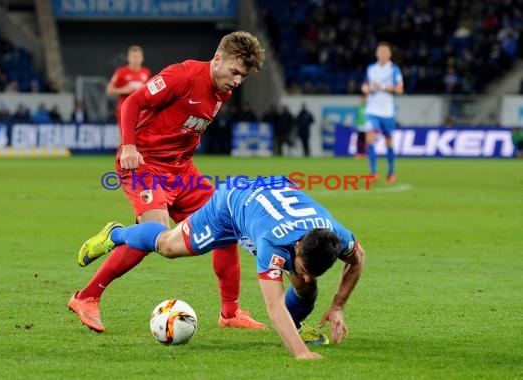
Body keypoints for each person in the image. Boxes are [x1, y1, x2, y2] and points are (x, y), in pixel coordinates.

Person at [68, 31, 267, 332]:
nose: (238, 81)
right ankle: (87, 296)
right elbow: (132, 102)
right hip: (143, 163)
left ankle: (230, 314)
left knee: (227, 226)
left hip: (182, 171)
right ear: (217, 59)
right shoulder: (182, 75)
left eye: (243, 76)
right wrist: (129, 146)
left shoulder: (223, 90)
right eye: (235, 72)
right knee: (157, 233)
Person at [78, 176, 365, 359]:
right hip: (229, 206)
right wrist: (300, 354)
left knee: (306, 287)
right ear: (299, 246)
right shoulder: (272, 242)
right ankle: (115, 234)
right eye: (302, 267)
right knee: (167, 246)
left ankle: (297, 326)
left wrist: (338, 304)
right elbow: (274, 305)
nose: (301, 274)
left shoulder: (336, 235)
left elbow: (358, 259)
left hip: (272, 197)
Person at [361, 42, 404, 183]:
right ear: (376, 53)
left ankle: (391, 172)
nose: (383, 54)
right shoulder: (371, 69)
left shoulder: (394, 69)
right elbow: (366, 85)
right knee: (369, 137)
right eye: (380, 51)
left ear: (390, 54)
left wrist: (383, 87)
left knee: (389, 141)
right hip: (372, 109)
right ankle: (373, 172)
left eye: (386, 52)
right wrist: (365, 91)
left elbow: (399, 90)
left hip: (387, 111)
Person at [106, 45, 152, 125]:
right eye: (133, 57)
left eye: (138, 57)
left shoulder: (146, 72)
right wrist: (124, 90)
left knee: (140, 135)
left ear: (142, 58)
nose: (135, 59)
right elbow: (109, 91)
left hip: (141, 110)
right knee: (125, 135)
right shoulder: (120, 72)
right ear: (128, 58)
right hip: (124, 109)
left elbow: (150, 91)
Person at [354, 95, 367, 159]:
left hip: (367, 126)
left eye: (365, 99)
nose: (364, 100)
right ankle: (359, 153)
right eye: (363, 99)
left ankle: (364, 153)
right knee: (359, 140)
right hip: (360, 126)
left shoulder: (369, 107)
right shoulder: (359, 107)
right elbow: (356, 116)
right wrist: (355, 124)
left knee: (366, 141)